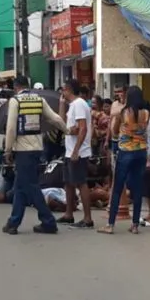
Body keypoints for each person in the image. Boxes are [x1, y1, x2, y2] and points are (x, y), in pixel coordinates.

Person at [2, 75, 66, 234]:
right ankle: (13, 222)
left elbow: (10, 128)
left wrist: (8, 150)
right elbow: (55, 119)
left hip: (22, 150)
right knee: (20, 187)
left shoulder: (15, 101)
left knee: (31, 187)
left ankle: (48, 221)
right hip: (37, 147)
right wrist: (68, 130)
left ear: (16, 87)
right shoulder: (39, 100)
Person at [100, 85, 150, 235]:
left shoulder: (123, 112)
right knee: (138, 188)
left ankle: (110, 225)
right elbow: (144, 130)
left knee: (118, 188)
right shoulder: (146, 113)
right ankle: (135, 225)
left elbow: (115, 131)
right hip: (141, 151)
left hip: (126, 151)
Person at [58, 79, 95, 229]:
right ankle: (69, 214)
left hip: (78, 151)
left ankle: (87, 218)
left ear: (68, 89)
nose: (62, 93)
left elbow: (83, 128)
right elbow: (61, 122)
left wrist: (76, 151)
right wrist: (61, 104)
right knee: (68, 182)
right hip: (69, 150)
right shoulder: (72, 105)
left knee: (81, 183)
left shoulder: (79, 104)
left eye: (63, 90)